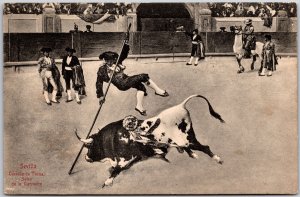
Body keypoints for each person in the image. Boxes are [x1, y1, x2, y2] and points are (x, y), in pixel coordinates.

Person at [96, 51, 169, 116]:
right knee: (143, 76)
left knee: (141, 87)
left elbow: (123, 54)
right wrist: (100, 96)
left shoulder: (117, 62)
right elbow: (99, 82)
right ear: (105, 60)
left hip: (127, 79)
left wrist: (126, 43)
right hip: (122, 84)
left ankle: (139, 106)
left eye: (112, 60)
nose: (110, 62)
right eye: (108, 60)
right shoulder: (102, 69)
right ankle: (158, 91)